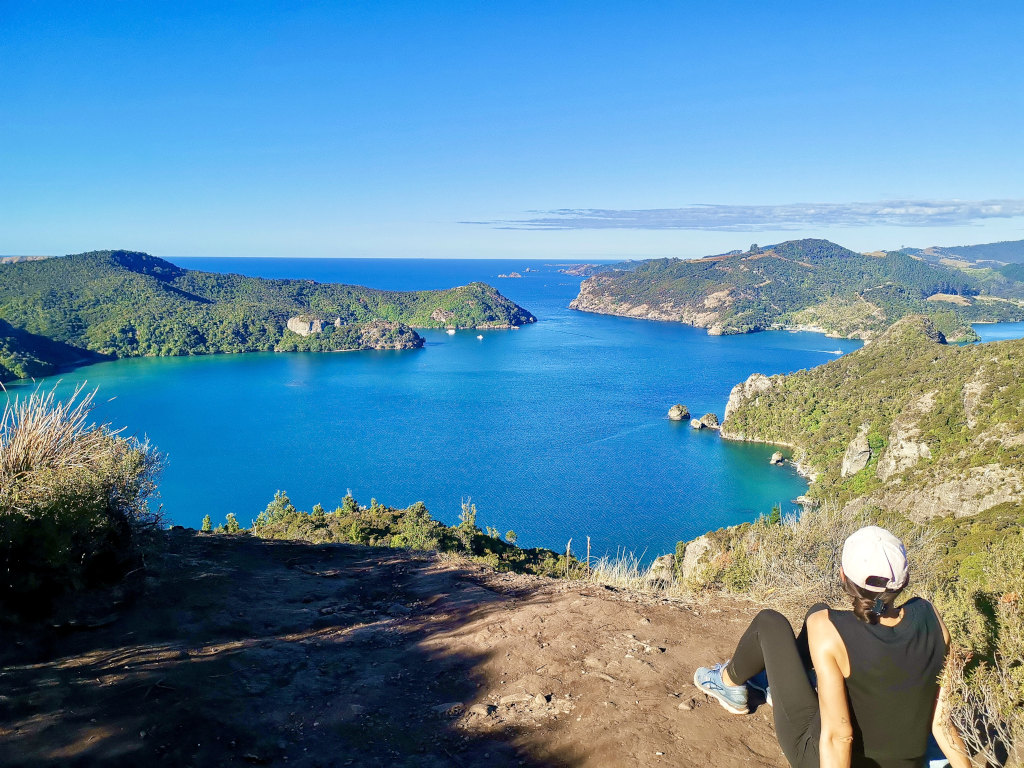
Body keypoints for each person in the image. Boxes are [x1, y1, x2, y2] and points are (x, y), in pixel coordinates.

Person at [693, 525, 972, 768]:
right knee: (818, 610)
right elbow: (942, 723)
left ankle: (728, 683)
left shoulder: (827, 628)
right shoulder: (931, 617)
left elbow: (839, 737)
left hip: (821, 757)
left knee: (770, 622)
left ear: (843, 577)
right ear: (904, 581)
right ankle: (782, 682)